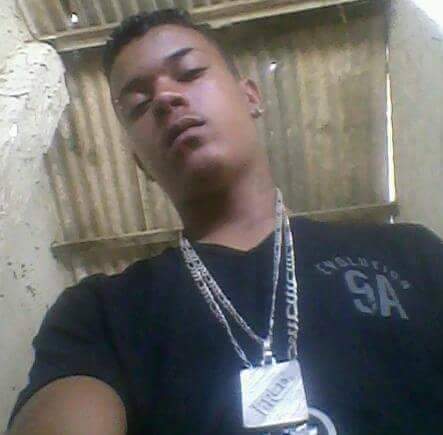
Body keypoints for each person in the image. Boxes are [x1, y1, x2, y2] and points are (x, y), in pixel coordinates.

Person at [6, 8, 443, 435]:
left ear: (251, 96)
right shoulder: (100, 313)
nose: (165, 98)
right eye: (139, 103)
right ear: (138, 160)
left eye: (190, 72)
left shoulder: (409, 253)